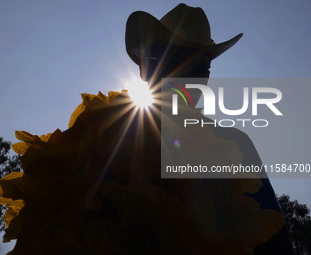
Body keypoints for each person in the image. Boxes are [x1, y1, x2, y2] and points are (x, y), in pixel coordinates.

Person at [125, 3, 295, 254]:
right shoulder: (101, 138)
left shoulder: (235, 145)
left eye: (196, 66)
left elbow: (273, 243)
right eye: (166, 61)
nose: (181, 77)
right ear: (143, 69)